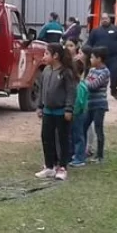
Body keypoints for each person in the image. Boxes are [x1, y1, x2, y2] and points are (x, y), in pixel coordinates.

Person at [35, 43, 76, 180]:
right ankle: (49, 166)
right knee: (46, 138)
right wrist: (40, 106)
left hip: (61, 112)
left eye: (46, 53)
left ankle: (62, 167)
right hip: (48, 111)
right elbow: (41, 89)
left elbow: (71, 92)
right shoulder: (46, 71)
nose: (44, 56)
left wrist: (69, 109)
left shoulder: (66, 72)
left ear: (56, 56)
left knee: (63, 140)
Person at [72, 46, 110, 167]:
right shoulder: (92, 70)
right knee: (82, 128)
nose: (91, 59)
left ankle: (100, 155)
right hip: (89, 104)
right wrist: (84, 83)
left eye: (93, 57)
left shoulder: (105, 72)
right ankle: (80, 153)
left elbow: (93, 85)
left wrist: (83, 84)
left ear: (99, 59)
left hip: (99, 105)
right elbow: (87, 82)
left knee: (99, 129)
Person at [86, 13, 117, 100]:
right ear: (100, 20)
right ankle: (91, 90)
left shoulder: (116, 30)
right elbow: (89, 43)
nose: (104, 20)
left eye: (106, 18)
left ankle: (114, 90)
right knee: (93, 74)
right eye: (103, 18)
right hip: (99, 58)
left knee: (115, 73)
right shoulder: (95, 31)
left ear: (109, 19)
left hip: (113, 56)